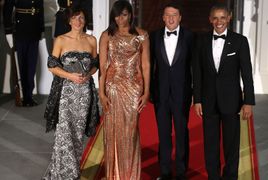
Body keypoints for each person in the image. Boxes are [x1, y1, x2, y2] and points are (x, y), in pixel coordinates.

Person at [193, 3, 255, 180]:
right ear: (210, 20)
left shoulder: (240, 41)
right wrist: (197, 99)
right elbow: (197, 73)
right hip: (208, 101)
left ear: (229, 18)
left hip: (231, 101)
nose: (219, 21)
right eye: (215, 18)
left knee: (231, 146)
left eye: (222, 17)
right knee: (210, 145)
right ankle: (213, 177)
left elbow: (247, 74)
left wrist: (248, 101)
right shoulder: (201, 41)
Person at [42, 7, 99, 179]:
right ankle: (66, 173)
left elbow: (96, 64)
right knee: (64, 133)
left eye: (81, 18)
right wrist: (70, 76)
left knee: (78, 133)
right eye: (74, 18)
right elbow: (51, 65)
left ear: (85, 20)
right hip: (66, 93)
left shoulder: (91, 40)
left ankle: (72, 168)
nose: (78, 21)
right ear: (69, 21)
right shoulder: (60, 40)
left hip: (84, 94)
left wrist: (88, 74)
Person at [98, 0, 150, 179]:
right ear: (113, 16)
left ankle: (129, 175)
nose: (121, 18)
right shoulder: (107, 35)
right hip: (112, 87)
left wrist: (146, 91)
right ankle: (114, 175)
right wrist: (101, 93)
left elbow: (146, 65)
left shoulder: (142, 35)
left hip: (134, 88)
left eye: (125, 14)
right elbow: (103, 65)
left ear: (131, 15)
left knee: (130, 133)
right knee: (113, 131)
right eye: (118, 15)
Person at [149, 2, 193, 180]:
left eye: (174, 14)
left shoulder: (190, 37)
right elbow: (149, 65)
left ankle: (181, 173)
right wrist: (149, 90)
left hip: (182, 93)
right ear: (163, 17)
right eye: (168, 15)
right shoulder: (154, 36)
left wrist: (195, 92)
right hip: (160, 94)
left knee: (182, 133)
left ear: (180, 17)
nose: (171, 18)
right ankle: (165, 172)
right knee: (163, 134)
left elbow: (195, 67)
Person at [3, 0, 44, 106]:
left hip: (34, 30)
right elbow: (7, 10)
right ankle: (21, 94)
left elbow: (40, 8)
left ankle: (28, 96)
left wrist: (41, 29)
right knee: (20, 65)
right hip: (20, 30)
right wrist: (8, 31)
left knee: (31, 65)